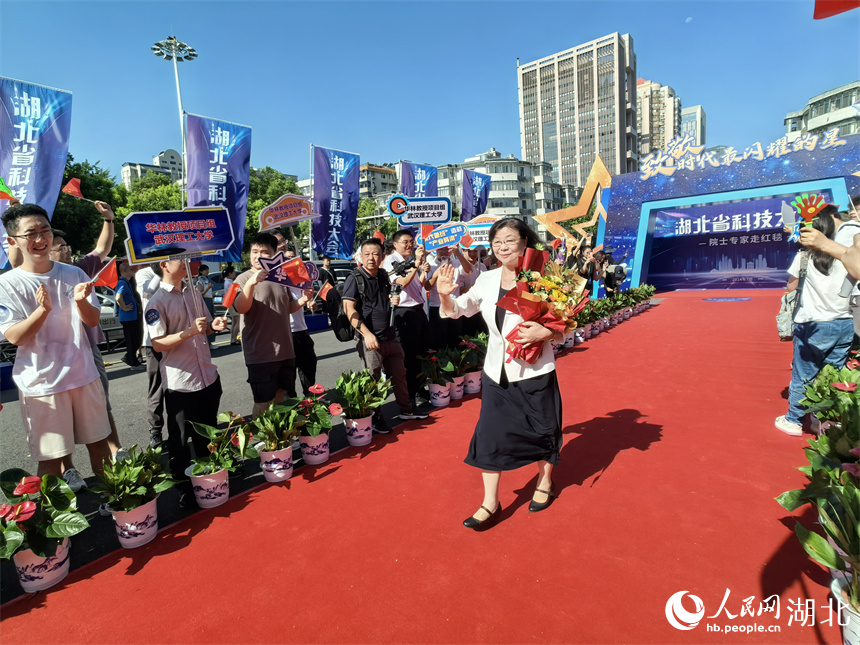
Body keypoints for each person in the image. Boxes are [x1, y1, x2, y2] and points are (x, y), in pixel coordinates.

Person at [437, 217, 564, 531]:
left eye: (510, 239)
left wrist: (545, 333)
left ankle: (544, 481)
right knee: (489, 435)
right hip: (497, 373)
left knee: (544, 430)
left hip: (535, 370)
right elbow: (459, 308)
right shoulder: (487, 279)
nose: (503, 246)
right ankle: (489, 503)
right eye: (497, 241)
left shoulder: (545, 276)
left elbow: (566, 322)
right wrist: (443, 294)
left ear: (524, 241)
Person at [0, 204, 112, 482]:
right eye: (31, 234)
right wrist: (43, 310)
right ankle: (50, 520)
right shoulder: (8, 284)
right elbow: (14, 336)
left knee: (100, 445)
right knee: (51, 460)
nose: (40, 239)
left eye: (45, 230)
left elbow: (92, 320)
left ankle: (117, 506)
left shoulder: (74, 273)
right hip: (42, 385)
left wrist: (80, 301)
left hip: (84, 376)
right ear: (13, 241)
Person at [48, 206, 129, 489]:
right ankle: (67, 469)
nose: (66, 250)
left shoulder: (79, 269)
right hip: (53, 355)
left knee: (100, 403)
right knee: (59, 414)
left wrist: (108, 219)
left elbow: (102, 248)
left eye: (66, 246)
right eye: (60, 247)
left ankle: (115, 452)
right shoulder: (34, 276)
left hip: (87, 349)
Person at [146, 259, 227, 507]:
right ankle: (184, 488)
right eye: (179, 259)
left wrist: (215, 325)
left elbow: (207, 327)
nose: (186, 263)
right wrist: (190, 331)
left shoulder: (193, 291)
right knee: (180, 441)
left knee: (208, 433)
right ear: (164, 265)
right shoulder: (156, 302)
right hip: (181, 382)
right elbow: (157, 343)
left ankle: (211, 479)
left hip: (207, 377)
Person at [776, 204, 858, 436]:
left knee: (803, 374)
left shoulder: (804, 257)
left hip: (812, 325)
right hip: (844, 323)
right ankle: (824, 420)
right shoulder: (847, 255)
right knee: (833, 373)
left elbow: (791, 287)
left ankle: (793, 419)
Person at [342, 238, 427, 432]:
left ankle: (407, 409)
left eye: (375, 254)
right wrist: (366, 334)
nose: (371, 258)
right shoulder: (355, 278)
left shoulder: (382, 274)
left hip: (391, 336)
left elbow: (387, 296)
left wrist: (393, 299)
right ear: (361, 256)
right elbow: (349, 308)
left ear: (382, 257)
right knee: (372, 381)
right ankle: (376, 418)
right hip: (371, 339)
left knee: (399, 375)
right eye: (367, 254)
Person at [232, 232, 313, 418]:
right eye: (254, 251)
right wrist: (252, 283)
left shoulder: (280, 277)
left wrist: (302, 300)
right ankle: (262, 441)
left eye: (264, 252)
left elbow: (287, 307)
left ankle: (281, 439)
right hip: (260, 353)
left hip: (285, 350)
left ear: (275, 254)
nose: (258, 256)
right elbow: (241, 307)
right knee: (262, 402)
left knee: (281, 397)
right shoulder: (242, 279)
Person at [381, 230, 432, 408]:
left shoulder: (411, 261)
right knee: (407, 355)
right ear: (395, 244)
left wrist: (423, 271)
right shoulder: (391, 261)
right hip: (403, 311)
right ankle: (409, 394)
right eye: (405, 242)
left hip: (417, 309)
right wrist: (416, 265)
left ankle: (419, 388)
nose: (409, 245)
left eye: (411, 242)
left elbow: (419, 286)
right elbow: (400, 284)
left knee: (421, 352)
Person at [799, 201, 860, 337]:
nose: (851, 212)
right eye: (851, 209)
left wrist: (825, 244)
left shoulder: (848, 230)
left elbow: (854, 264)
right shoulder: (846, 232)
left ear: (831, 217)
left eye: (857, 209)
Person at [275, 234, 319, 398]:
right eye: (278, 242)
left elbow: (302, 294)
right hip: (282, 332)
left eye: (284, 241)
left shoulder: (294, 268)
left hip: (301, 329)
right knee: (287, 378)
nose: (283, 245)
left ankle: (311, 405)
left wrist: (308, 302)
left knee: (309, 368)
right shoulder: (269, 273)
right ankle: (293, 414)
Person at [135, 262, 165, 448]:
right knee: (157, 388)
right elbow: (148, 293)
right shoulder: (143, 274)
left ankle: (184, 427)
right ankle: (155, 431)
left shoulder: (177, 269)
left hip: (178, 336)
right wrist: (159, 272)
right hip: (153, 340)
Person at [115, 260, 144, 370]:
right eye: (131, 269)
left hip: (132, 317)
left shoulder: (126, 282)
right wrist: (123, 306)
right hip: (129, 318)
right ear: (124, 271)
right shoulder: (122, 283)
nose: (133, 271)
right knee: (133, 340)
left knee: (136, 338)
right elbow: (118, 297)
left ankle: (131, 358)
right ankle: (132, 361)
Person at [459, 244, 488, 337]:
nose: (472, 253)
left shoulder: (482, 266)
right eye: (469, 251)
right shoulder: (459, 268)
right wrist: (476, 285)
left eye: (475, 251)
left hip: (481, 307)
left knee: (483, 335)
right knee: (468, 336)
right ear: (463, 251)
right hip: (467, 308)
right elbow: (460, 291)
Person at [195, 264, 216, 346]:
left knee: (211, 320)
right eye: (205, 270)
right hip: (204, 301)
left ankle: (210, 342)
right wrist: (208, 288)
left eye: (208, 270)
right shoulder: (200, 281)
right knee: (207, 321)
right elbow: (200, 294)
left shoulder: (206, 279)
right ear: (201, 271)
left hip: (209, 300)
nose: (207, 272)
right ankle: (208, 343)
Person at [220, 265, 241, 346]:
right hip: (232, 302)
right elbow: (234, 293)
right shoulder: (230, 282)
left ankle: (233, 339)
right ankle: (234, 339)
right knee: (237, 321)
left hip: (229, 302)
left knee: (234, 321)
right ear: (230, 273)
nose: (235, 274)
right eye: (233, 272)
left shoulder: (227, 281)